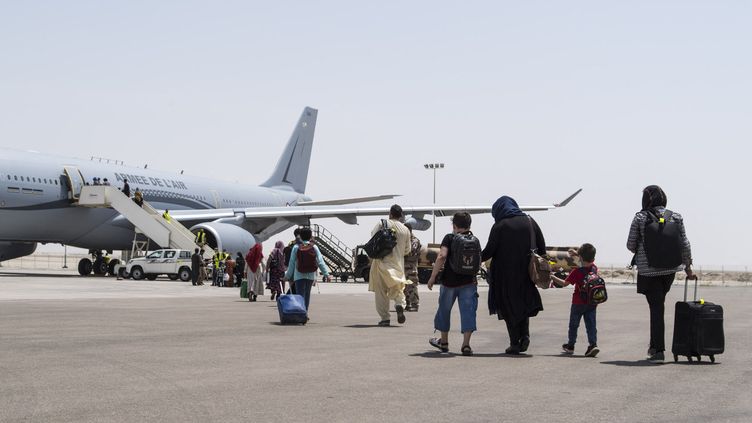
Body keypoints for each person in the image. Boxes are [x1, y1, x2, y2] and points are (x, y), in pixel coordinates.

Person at [627, 185, 693, 363]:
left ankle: (658, 351)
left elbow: (631, 244)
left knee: (656, 309)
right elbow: (685, 243)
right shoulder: (676, 217)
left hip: (649, 271)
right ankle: (654, 346)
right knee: (658, 306)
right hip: (670, 269)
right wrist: (688, 267)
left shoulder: (640, 217)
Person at [482, 196, 545, 355]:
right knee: (522, 306)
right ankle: (525, 336)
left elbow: (489, 251)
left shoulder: (500, 225)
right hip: (526, 274)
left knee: (508, 307)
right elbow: (542, 248)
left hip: (504, 275)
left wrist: (468, 259)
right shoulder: (530, 222)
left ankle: (515, 342)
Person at [427, 212, 480, 356]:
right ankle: (466, 345)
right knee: (468, 312)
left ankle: (444, 342)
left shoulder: (449, 238)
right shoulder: (475, 240)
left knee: (444, 311)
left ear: (454, 225)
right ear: (469, 225)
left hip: (449, 283)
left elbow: (442, 256)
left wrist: (432, 277)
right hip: (469, 283)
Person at [551, 243, 600, 357]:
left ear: (581, 257)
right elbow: (587, 260)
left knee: (573, 325)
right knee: (591, 324)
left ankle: (571, 346)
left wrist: (552, 277)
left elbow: (564, 284)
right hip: (592, 302)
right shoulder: (594, 268)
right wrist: (578, 254)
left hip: (578, 302)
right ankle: (593, 345)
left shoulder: (576, 272)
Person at [368, 204, 412, 327]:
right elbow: (407, 250)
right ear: (401, 215)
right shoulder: (405, 229)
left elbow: (373, 236)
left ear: (390, 213)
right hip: (397, 264)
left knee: (381, 292)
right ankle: (399, 305)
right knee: (397, 288)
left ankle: (385, 318)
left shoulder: (383, 223)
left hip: (381, 263)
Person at [284, 227, 330, 317]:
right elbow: (320, 262)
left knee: (300, 296)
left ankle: (301, 314)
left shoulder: (296, 247)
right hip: (310, 276)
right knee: (307, 295)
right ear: (310, 236)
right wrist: (326, 274)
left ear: (300, 236)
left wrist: (287, 276)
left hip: (299, 276)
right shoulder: (314, 247)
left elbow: (292, 264)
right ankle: (305, 313)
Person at [403, 224, 422, 312]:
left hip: (411, 267)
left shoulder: (414, 241)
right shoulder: (405, 240)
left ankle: (415, 304)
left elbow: (411, 252)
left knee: (412, 286)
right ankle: (407, 303)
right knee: (404, 287)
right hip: (404, 267)